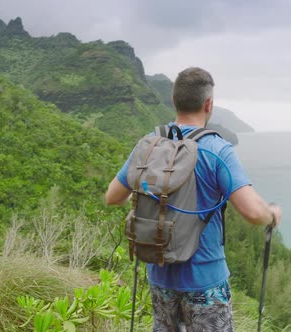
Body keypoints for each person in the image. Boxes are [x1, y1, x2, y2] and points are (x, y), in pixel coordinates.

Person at [105, 67, 281, 331]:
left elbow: (112, 197)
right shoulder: (217, 149)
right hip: (205, 280)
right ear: (208, 104)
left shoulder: (150, 144)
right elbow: (253, 212)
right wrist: (272, 214)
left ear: (174, 101)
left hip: (160, 277)